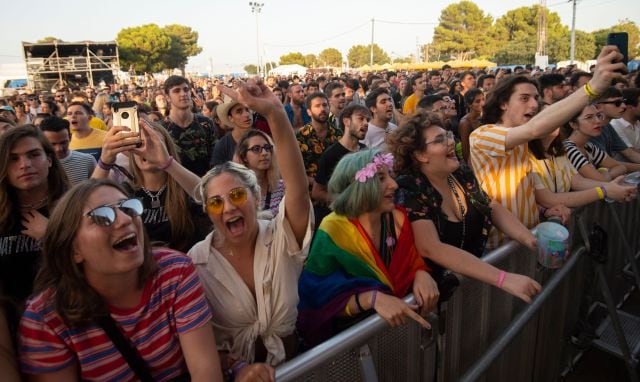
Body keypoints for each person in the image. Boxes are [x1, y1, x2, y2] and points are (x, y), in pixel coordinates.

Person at [18, 179, 223, 381]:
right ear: (74, 250)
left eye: (129, 208)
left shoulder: (174, 271)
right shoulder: (45, 320)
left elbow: (205, 373)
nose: (125, 219)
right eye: (101, 217)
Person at [187, 78, 312, 380]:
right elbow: (195, 343)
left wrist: (276, 114)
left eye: (237, 195)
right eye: (216, 202)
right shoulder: (196, 263)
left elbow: (297, 189)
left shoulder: (282, 237)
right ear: (208, 212)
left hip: (296, 368)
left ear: (255, 199)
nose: (228, 208)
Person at [469, 46, 625, 247]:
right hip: (497, 251)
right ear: (503, 104)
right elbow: (535, 129)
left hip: (526, 244)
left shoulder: (523, 144)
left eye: (536, 98)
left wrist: (543, 211)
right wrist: (592, 88)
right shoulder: (483, 135)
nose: (534, 105)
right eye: (524, 98)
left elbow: (530, 194)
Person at [389, 111, 541, 303]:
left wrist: (530, 238)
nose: (451, 142)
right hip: (434, 300)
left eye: (448, 136)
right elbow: (431, 248)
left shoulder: (460, 174)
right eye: (439, 140)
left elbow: (490, 206)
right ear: (420, 155)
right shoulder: (409, 189)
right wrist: (503, 279)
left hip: (471, 285)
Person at [298, 149, 438, 346]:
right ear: (358, 187)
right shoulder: (333, 228)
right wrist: (371, 299)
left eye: (391, 175)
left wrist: (421, 273)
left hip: (402, 338)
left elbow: (410, 259)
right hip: (356, 346)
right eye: (381, 178)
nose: (394, 184)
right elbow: (315, 294)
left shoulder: (398, 219)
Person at [93, 120, 209, 252]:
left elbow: (208, 197)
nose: (147, 150)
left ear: (167, 149)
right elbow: (86, 207)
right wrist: (104, 162)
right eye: (140, 144)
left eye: (154, 144)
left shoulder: (183, 184)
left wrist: (167, 163)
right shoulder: (125, 192)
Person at [0, 126, 69, 306]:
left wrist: (51, 236)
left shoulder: (73, 207)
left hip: (69, 314)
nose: (25, 165)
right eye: (13, 159)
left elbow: (94, 267)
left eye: (33, 155)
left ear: (50, 160)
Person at [563, 104, 640, 182]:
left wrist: (605, 174)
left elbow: (621, 167)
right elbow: (600, 180)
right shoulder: (569, 148)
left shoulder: (588, 146)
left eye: (598, 116)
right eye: (589, 117)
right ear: (573, 124)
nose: (598, 121)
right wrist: (604, 172)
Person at [161, 75, 217, 176]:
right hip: (175, 187)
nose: (183, 94)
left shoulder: (205, 123)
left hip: (205, 184)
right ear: (168, 97)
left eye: (186, 89)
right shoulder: (161, 128)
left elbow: (215, 158)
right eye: (177, 91)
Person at [235, 129, 284, 216]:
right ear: (244, 157)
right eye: (256, 149)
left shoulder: (282, 187)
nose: (265, 153)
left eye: (267, 147)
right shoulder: (238, 192)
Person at [40, 116, 96, 185]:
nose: (59, 149)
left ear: (70, 137)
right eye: (53, 144)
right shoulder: (37, 164)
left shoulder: (87, 161)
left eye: (63, 143)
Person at [211, 100, 254, 166]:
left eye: (247, 110)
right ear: (230, 118)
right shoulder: (222, 146)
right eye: (239, 112)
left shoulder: (263, 137)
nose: (246, 114)